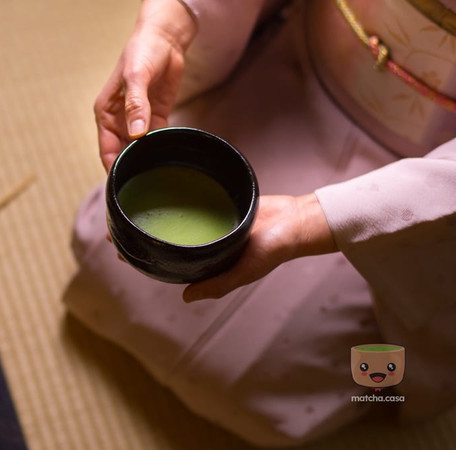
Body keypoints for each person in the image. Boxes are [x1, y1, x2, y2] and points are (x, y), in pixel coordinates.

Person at [63, 0, 456, 446]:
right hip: (300, 80)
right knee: (110, 247)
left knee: (273, 378)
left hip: (431, 183)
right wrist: (172, 23)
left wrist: (320, 218)